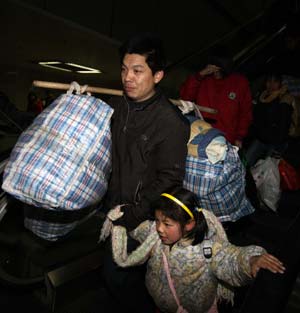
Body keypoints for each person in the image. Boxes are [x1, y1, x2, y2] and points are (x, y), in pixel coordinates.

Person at [101, 32, 190, 313]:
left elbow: (169, 179)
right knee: (117, 279)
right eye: (125, 69)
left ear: (158, 75)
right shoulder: (120, 107)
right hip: (113, 208)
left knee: (125, 281)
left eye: (138, 71)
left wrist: (135, 214)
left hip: (142, 217)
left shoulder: (170, 123)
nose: (128, 77)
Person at [105, 187, 285, 313]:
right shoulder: (154, 233)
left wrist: (251, 261)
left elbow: (232, 258)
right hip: (161, 306)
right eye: (158, 220)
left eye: (167, 224)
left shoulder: (207, 249)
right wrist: (122, 217)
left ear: (189, 224)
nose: (159, 228)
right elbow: (137, 228)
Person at [179, 48, 252, 148]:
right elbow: (185, 98)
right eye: (213, 68)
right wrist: (200, 75)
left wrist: (239, 136)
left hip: (224, 138)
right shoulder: (202, 79)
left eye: (219, 69)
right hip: (199, 133)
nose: (215, 72)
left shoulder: (240, 83)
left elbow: (245, 112)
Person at [244, 73, 294, 167]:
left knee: (266, 170)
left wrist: (277, 148)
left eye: (275, 81)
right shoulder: (262, 96)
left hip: (275, 143)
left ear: (280, 84)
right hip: (261, 138)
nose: (271, 84)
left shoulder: (284, 98)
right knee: (246, 163)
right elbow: (256, 117)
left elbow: (284, 124)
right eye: (269, 81)